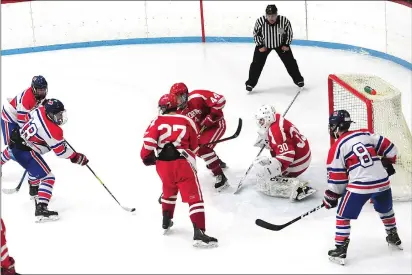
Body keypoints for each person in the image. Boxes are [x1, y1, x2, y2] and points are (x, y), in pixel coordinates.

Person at [324, 110, 402, 265]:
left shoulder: (337, 147)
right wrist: (387, 162)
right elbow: (391, 149)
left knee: (342, 215)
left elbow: (338, 180)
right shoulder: (365, 134)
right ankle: (393, 235)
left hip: (360, 186)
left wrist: (331, 196)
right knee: (385, 210)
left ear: (336, 127)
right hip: (382, 182)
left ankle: (340, 249)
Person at [140, 94, 218, 248]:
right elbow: (195, 147)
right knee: (194, 197)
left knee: (168, 188)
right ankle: (199, 232)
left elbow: (148, 144)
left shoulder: (156, 121)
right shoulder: (187, 120)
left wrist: (146, 157)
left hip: (163, 165)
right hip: (183, 163)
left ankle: (166, 220)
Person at [8, 98, 89, 222]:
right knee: (48, 178)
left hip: (17, 141)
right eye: (57, 115)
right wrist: (76, 157)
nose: (60, 117)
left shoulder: (39, 110)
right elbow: (61, 152)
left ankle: (34, 189)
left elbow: (28, 117)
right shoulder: (54, 131)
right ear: (50, 114)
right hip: (25, 151)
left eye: (61, 114)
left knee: (35, 167)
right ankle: (41, 208)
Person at [169, 83, 229, 191]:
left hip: (216, 125)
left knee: (203, 149)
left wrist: (211, 117)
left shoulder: (197, 96)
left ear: (185, 95)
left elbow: (220, 100)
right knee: (198, 149)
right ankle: (216, 161)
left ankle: (220, 175)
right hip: (202, 131)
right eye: (175, 98)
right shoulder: (177, 111)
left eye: (179, 97)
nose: (178, 101)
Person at [252, 104, 315, 200]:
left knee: (266, 180)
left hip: (298, 162)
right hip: (303, 154)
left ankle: (297, 188)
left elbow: (287, 156)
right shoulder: (277, 118)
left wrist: (273, 171)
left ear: (268, 118)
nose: (260, 123)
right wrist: (269, 141)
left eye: (262, 120)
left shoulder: (275, 132)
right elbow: (285, 141)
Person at [245, 4, 304, 93]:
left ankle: (298, 80)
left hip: (280, 44)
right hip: (264, 45)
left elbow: (289, 33)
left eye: (273, 15)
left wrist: (286, 44)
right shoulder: (260, 21)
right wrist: (260, 45)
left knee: (290, 62)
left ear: (277, 14)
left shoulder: (284, 21)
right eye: (269, 16)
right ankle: (250, 83)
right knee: (256, 64)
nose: (271, 18)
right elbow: (256, 34)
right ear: (266, 15)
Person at [1, 76, 48, 169]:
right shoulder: (26, 99)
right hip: (9, 118)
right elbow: (22, 122)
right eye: (39, 90)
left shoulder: (40, 95)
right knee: (13, 144)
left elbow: (41, 108)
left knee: (17, 145)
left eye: (43, 90)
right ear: (34, 88)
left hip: (22, 117)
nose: (42, 92)